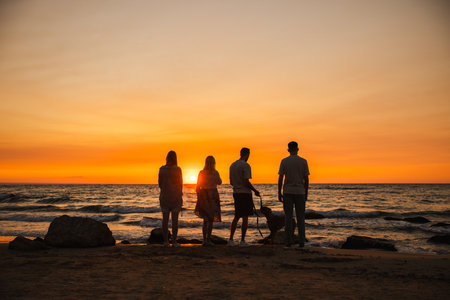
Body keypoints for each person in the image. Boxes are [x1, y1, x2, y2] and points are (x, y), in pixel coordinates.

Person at [278, 141, 310, 248]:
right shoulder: (303, 161)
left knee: (288, 217)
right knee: (301, 217)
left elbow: (280, 178)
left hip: (287, 191)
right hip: (300, 191)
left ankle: (288, 241)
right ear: (297, 149)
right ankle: (301, 241)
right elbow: (306, 179)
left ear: (288, 149)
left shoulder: (284, 161)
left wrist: (279, 191)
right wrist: (306, 192)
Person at [228, 147, 260, 247]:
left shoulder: (232, 165)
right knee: (245, 217)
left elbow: (231, 182)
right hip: (245, 193)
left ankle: (231, 240)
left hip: (236, 193)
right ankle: (242, 240)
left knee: (237, 216)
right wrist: (255, 191)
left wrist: (237, 186)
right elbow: (246, 182)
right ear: (247, 154)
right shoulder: (246, 165)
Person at [195, 156, 222, 246]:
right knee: (211, 219)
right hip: (213, 195)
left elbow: (197, 186)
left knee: (205, 219)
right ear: (214, 163)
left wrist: (199, 197)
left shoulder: (201, 172)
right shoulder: (215, 172)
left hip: (203, 195)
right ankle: (208, 239)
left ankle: (204, 240)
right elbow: (219, 182)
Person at [158, 150, 183, 247]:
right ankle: (174, 242)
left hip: (164, 196)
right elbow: (180, 184)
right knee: (174, 220)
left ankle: (165, 242)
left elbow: (160, 183)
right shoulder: (178, 169)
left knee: (165, 219)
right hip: (175, 196)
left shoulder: (161, 169)